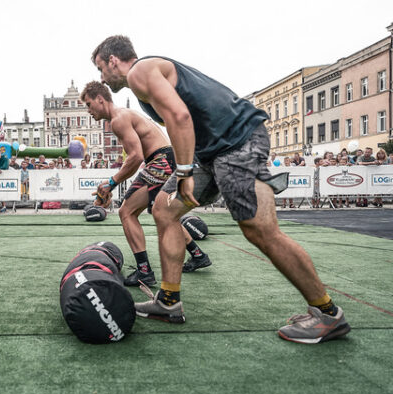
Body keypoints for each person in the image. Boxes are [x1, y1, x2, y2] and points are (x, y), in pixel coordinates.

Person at [91, 35, 349, 343]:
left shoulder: (140, 71)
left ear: (112, 60)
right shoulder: (144, 80)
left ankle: (327, 313)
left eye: (100, 68)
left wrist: (184, 171)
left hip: (237, 141)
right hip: (209, 153)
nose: (101, 77)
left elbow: (179, 116)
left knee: (259, 229)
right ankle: (168, 302)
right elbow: (181, 118)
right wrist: (189, 165)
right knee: (163, 209)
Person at [83, 81, 212, 286]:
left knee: (127, 212)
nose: (88, 111)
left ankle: (145, 272)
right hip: (166, 157)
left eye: (89, 104)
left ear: (100, 99)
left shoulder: (118, 119)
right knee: (165, 215)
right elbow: (136, 157)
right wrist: (113, 183)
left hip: (160, 160)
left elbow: (135, 157)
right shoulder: (123, 114)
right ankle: (198, 255)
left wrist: (110, 183)